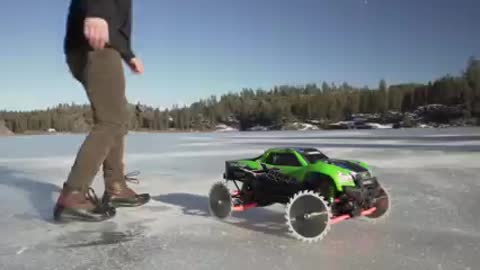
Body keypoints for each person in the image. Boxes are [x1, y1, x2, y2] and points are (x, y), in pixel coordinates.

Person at [54, 0, 150, 222]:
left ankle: (116, 186)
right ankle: (74, 193)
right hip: (96, 43)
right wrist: (97, 11)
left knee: (117, 116)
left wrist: (128, 54)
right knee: (111, 120)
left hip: (101, 43)